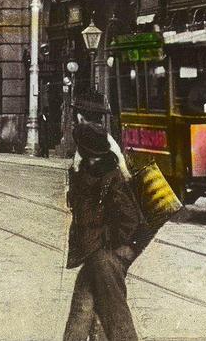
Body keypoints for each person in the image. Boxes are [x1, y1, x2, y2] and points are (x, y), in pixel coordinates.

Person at [63, 121, 141, 341]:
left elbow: (129, 218)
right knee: (83, 306)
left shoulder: (110, 177)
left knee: (114, 315)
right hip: (95, 253)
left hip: (105, 254)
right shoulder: (85, 173)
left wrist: (114, 247)